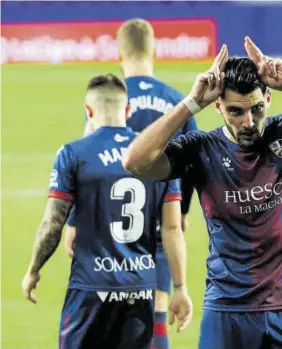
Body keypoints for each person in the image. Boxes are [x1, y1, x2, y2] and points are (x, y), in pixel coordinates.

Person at [122, 37, 282, 348]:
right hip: (228, 311)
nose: (248, 122)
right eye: (235, 112)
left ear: (269, 99)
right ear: (217, 106)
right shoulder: (201, 150)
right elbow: (135, 162)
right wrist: (192, 102)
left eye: (256, 109)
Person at [21, 74, 192, 349]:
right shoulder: (159, 157)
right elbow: (172, 229)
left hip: (91, 290)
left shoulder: (72, 154)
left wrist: (33, 270)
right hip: (140, 288)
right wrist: (181, 288)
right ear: (127, 111)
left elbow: (53, 223)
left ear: (88, 111)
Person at [63, 18, 197, 348]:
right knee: (157, 308)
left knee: (108, 315)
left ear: (119, 52)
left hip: (108, 230)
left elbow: (86, 160)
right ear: (153, 49)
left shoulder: (110, 100)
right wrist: (181, 213)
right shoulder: (178, 104)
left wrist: (73, 220)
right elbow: (193, 165)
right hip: (160, 219)